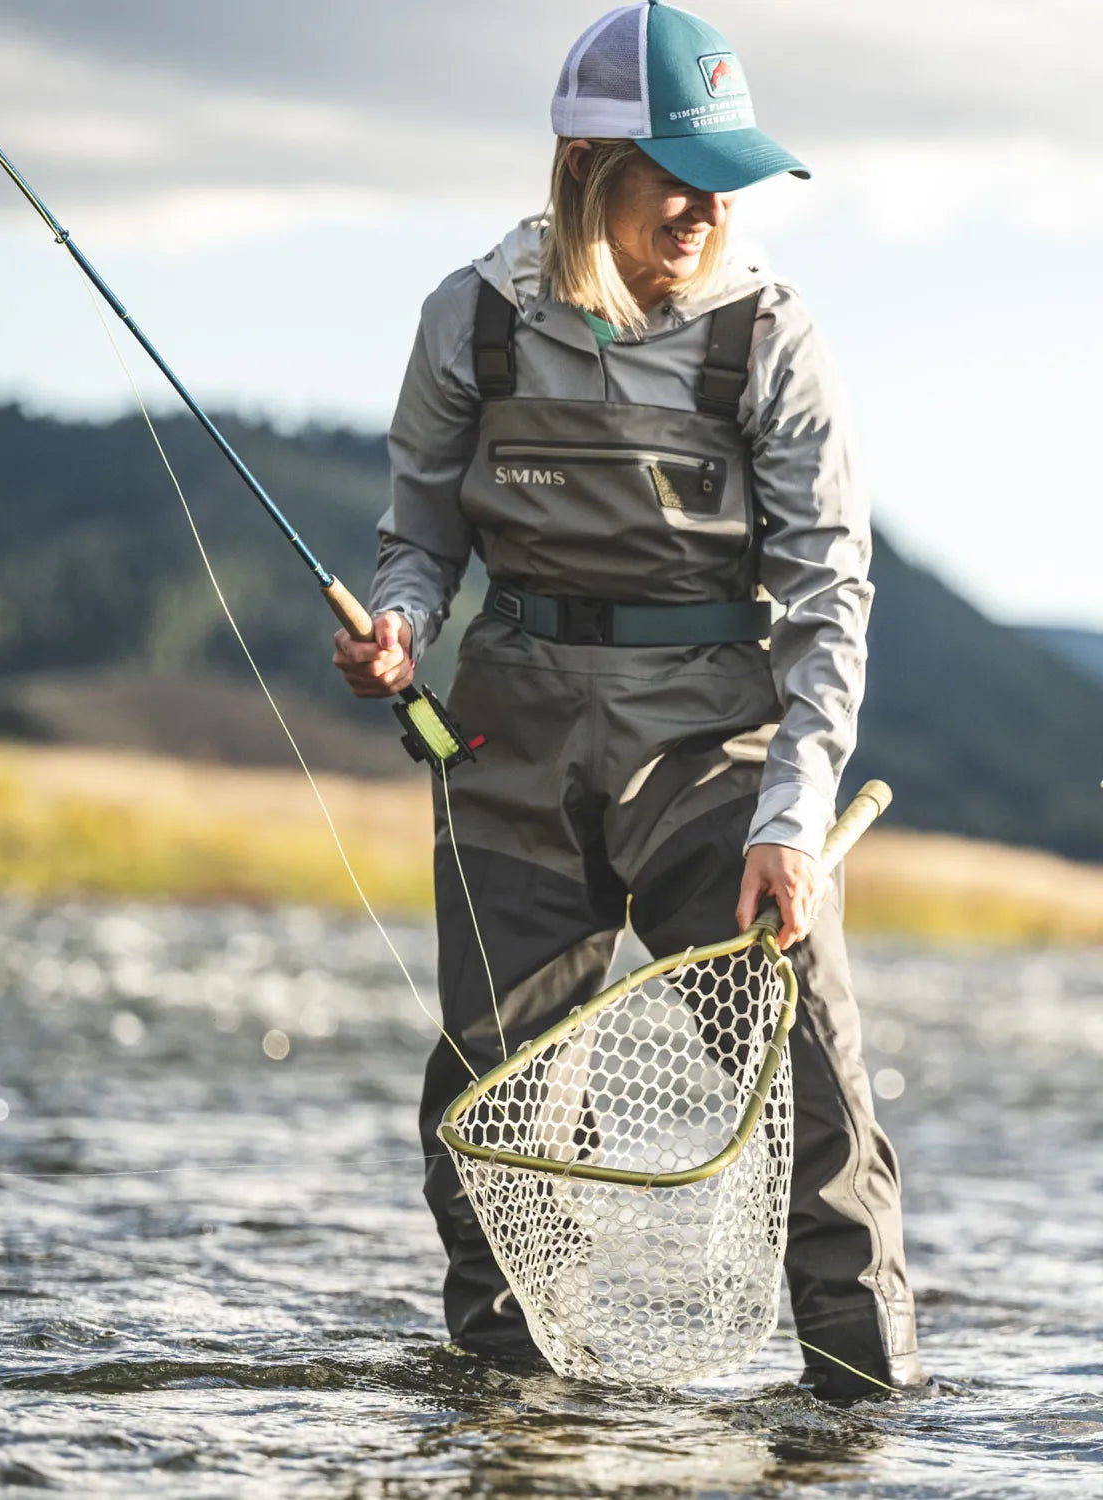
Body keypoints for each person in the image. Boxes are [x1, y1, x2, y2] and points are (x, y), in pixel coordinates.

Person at [334, 0, 926, 1400]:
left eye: (729, 170)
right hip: (511, 739)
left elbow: (832, 602)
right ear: (588, 164)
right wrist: (401, 628)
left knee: (815, 1097)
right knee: (494, 1103)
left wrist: (792, 818)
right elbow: (417, 541)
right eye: (679, 167)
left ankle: (864, 1421)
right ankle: (515, 1430)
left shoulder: (771, 337)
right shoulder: (467, 321)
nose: (709, 201)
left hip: (715, 758)